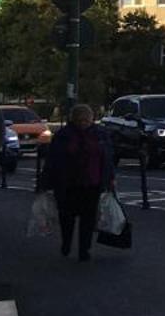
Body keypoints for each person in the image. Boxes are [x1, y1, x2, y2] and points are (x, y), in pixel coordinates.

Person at [40, 103, 114, 262]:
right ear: (73, 120)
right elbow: (53, 160)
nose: (83, 124)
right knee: (67, 217)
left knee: (88, 219)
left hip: (91, 183)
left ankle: (84, 249)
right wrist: (46, 182)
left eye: (86, 120)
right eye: (80, 120)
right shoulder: (64, 135)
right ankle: (66, 243)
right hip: (68, 183)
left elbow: (107, 158)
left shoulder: (100, 134)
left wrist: (109, 179)